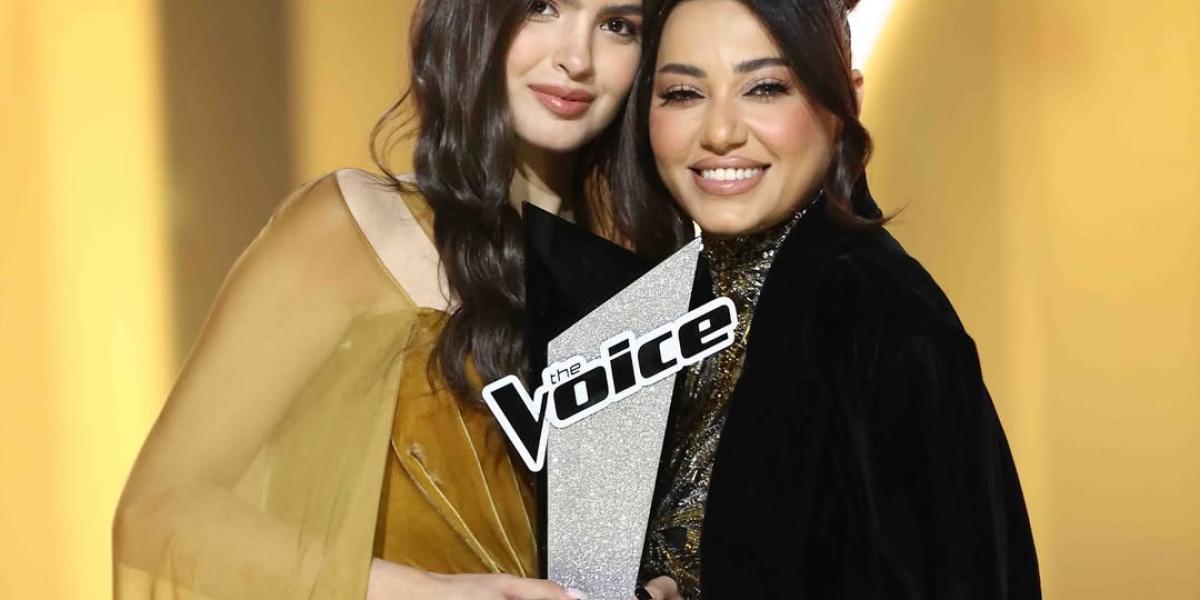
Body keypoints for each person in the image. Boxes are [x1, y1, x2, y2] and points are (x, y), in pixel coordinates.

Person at [112, 0, 689, 598]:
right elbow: (160, 514)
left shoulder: (647, 277)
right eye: (541, 6)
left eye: (618, 26)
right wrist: (430, 592)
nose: (576, 58)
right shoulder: (359, 227)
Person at [616, 0, 1043, 598]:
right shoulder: (656, 311)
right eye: (683, 94)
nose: (720, 132)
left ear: (847, 103)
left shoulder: (886, 323)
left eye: (765, 88)